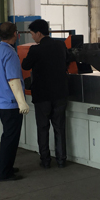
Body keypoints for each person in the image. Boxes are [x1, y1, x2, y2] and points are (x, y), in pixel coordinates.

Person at [21, 19, 69, 168]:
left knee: (43, 128)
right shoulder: (60, 45)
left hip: (42, 96)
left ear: (39, 33)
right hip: (60, 94)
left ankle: (46, 160)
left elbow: (25, 65)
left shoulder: (35, 50)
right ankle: (61, 160)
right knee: (59, 128)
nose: (32, 37)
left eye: (32, 34)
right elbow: (67, 60)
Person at [0, 22, 29, 181]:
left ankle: (8, 167)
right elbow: (13, 80)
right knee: (10, 139)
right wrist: (22, 102)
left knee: (8, 136)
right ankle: (4, 173)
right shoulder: (10, 53)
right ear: (16, 34)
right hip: (11, 102)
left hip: (1, 100)